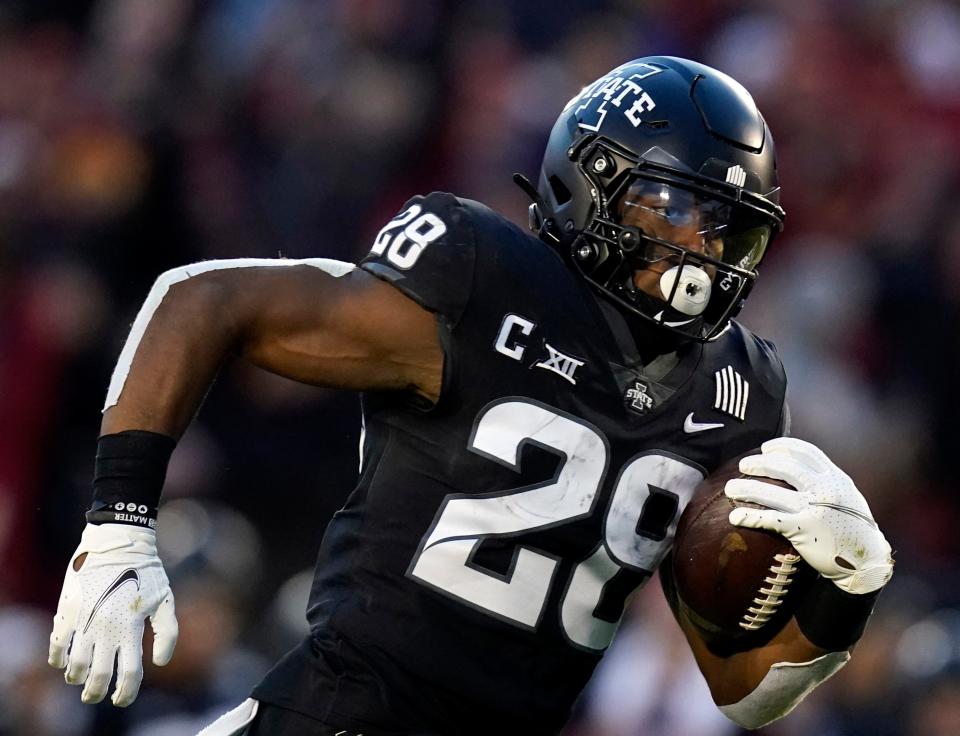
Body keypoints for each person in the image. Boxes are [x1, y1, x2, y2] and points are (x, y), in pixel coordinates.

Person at [47, 56, 894, 736]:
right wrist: (119, 522)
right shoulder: (486, 277)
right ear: (587, 183)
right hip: (348, 712)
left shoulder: (741, 388)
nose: (696, 254)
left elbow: (743, 690)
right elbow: (204, 298)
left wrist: (844, 594)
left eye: (724, 228)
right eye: (670, 210)